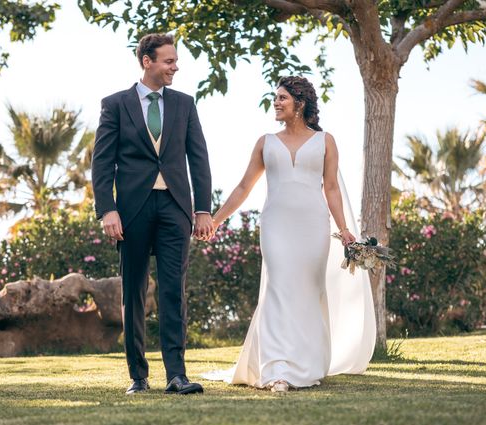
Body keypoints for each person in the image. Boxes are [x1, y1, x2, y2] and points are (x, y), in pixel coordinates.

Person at [202, 76, 376, 392]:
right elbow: (243, 187)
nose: (276, 102)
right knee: (278, 289)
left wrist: (345, 230)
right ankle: (277, 369)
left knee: (309, 291)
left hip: (313, 226)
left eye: (282, 97)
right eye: (276, 97)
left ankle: (306, 364)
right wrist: (215, 221)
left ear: (300, 104)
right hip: (275, 226)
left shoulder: (325, 141)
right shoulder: (265, 142)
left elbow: (332, 188)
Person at [92, 33, 213, 395]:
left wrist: (203, 208)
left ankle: (176, 375)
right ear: (148, 61)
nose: (175, 67)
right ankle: (138, 377)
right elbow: (102, 163)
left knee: (173, 290)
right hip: (131, 210)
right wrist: (107, 209)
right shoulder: (115, 104)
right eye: (169, 61)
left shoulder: (185, 104)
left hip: (175, 207)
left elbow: (199, 158)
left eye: (175, 61)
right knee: (133, 291)